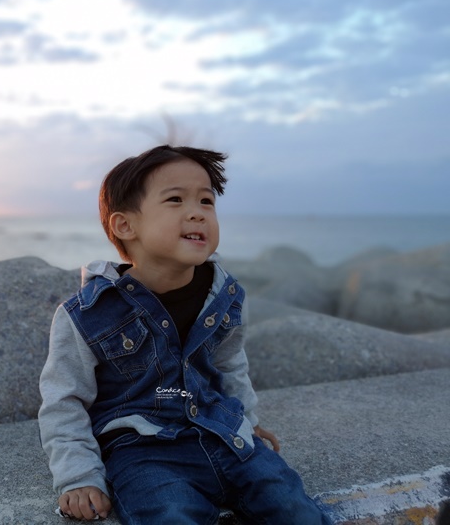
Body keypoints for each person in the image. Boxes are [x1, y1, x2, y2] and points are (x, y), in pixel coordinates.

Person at [38, 145, 331, 523]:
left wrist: (249, 420)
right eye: (175, 199)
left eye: (207, 201)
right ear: (125, 225)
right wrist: (79, 478)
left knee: (295, 510)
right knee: (169, 515)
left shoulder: (223, 296)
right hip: (144, 452)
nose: (198, 212)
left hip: (225, 435)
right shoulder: (86, 314)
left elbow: (229, 364)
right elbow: (64, 401)